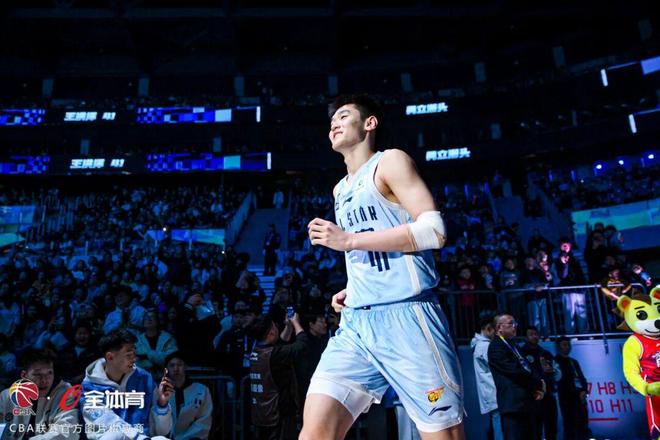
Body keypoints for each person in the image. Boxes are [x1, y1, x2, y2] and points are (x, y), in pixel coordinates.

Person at [300, 94, 463, 440]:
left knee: (443, 434)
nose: (334, 124)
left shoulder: (390, 161)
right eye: (332, 121)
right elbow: (372, 244)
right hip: (356, 325)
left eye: (344, 116)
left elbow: (434, 231)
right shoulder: (340, 189)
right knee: (316, 431)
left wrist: (349, 241)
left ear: (369, 123)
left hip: (407, 318)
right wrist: (356, 286)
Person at [80, 329, 173, 439]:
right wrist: (137, 437)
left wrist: (162, 404)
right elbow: (107, 423)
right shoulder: (90, 388)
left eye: (134, 353)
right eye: (129, 355)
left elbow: (161, 431)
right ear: (110, 357)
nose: (134, 359)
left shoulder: (144, 378)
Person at [247, 313, 307, 440]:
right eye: (275, 326)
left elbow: (279, 344)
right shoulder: (275, 354)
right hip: (278, 415)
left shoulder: (256, 350)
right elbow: (302, 345)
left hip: (261, 414)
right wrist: (296, 323)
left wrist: (288, 327)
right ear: (271, 333)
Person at [0, 348, 80, 439]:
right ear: (24, 375)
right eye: (37, 374)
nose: (44, 380)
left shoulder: (66, 393)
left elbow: (67, 432)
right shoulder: (6, 396)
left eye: (49, 373)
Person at [487, 314, 545, 440]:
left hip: (527, 402)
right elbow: (514, 371)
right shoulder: (496, 347)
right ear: (499, 328)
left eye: (515, 323)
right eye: (511, 323)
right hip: (513, 405)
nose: (515, 326)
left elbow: (528, 366)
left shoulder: (514, 345)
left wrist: (538, 384)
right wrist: (537, 382)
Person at [151, 352, 213, 440]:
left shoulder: (201, 390)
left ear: (185, 367)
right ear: (166, 370)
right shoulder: (159, 391)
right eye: (172, 365)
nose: (176, 369)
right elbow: (155, 418)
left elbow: (204, 419)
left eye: (179, 365)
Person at [520, 326, 561, 440]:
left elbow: (558, 374)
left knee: (551, 429)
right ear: (525, 337)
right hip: (532, 397)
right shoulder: (521, 353)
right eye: (531, 334)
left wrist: (552, 371)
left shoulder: (546, 353)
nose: (534, 336)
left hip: (548, 396)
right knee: (534, 430)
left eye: (536, 334)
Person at [470, 315, 503, 440]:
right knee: (499, 427)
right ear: (489, 329)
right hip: (494, 393)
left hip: (491, 392)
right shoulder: (485, 346)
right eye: (496, 330)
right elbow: (500, 366)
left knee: (496, 425)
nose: (498, 333)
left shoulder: (478, 344)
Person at [555, 337, 590, 440]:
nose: (567, 347)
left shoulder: (574, 362)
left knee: (583, 423)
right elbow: (559, 380)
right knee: (570, 425)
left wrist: (584, 390)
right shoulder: (556, 361)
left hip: (579, 397)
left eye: (568, 344)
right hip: (567, 398)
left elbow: (582, 378)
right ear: (558, 347)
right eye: (564, 344)